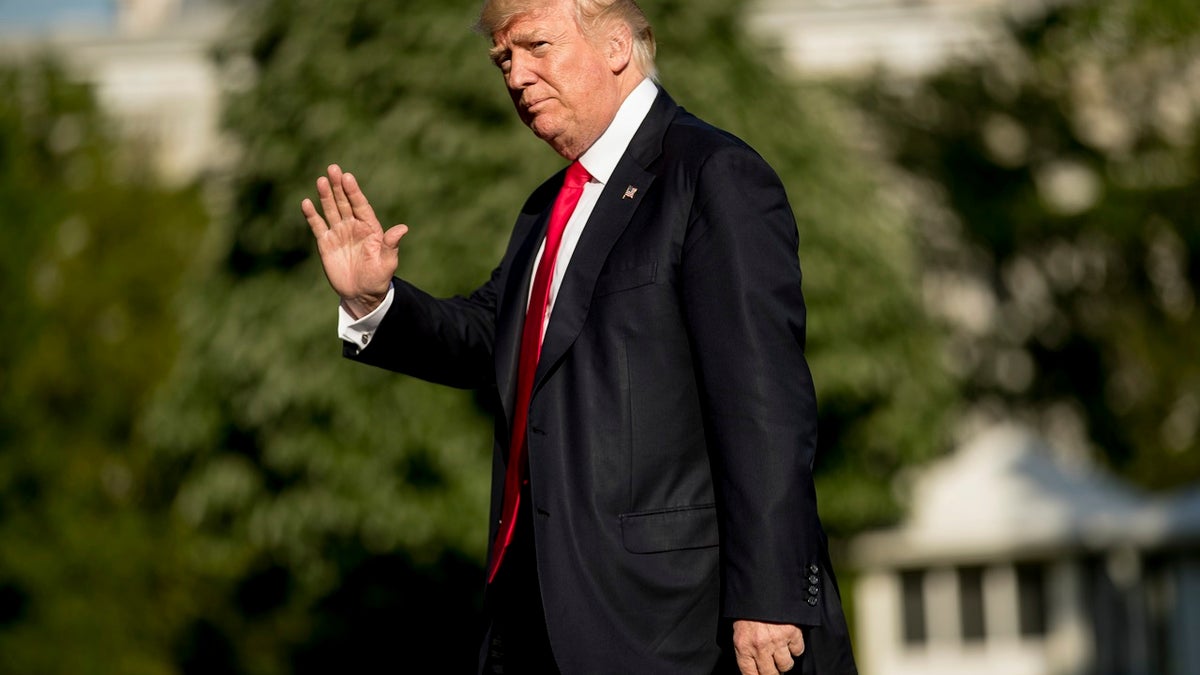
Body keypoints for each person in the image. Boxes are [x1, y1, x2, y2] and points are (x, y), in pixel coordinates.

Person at [300, 0, 857, 673]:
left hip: (676, 625)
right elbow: (488, 335)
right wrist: (372, 300)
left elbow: (764, 402)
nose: (516, 75)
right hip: (535, 622)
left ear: (617, 45)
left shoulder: (712, 175)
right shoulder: (547, 207)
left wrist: (768, 594)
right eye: (504, 57)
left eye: (536, 46)